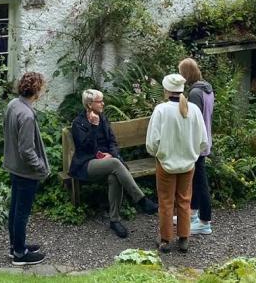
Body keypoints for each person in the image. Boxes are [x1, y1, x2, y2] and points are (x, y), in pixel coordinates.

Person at [70, 89, 159, 238]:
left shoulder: (103, 118)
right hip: (87, 164)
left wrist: (111, 154)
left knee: (114, 176)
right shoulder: (78, 123)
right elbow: (84, 148)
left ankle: (115, 220)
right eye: (100, 101)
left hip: (108, 161)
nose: (103, 103)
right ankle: (142, 200)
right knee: (116, 165)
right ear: (90, 104)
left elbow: (112, 141)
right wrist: (92, 127)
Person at [146, 73, 209, 254]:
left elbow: (152, 142)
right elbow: (203, 140)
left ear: (166, 90)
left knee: (166, 201)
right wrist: (192, 154)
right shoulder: (194, 110)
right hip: (188, 164)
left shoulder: (161, 110)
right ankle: (184, 238)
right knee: (184, 200)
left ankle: (165, 240)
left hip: (165, 163)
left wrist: (157, 154)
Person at [3, 72, 50, 265]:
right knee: (21, 212)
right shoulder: (27, 115)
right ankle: (20, 255)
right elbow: (27, 150)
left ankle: (16, 246)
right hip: (25, 171)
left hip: (14, 167)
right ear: (37, 91)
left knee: (15, 209)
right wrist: (41, 168)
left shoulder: (13, 105)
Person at [178, 57, 214, 235]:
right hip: (206, 139)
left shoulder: (194, 94)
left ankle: (205, 221)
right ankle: (192, 213)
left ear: (186, 74)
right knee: (195, 179)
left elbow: (193, 120)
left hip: (197, 143)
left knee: (200, 181)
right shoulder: (207, 88)